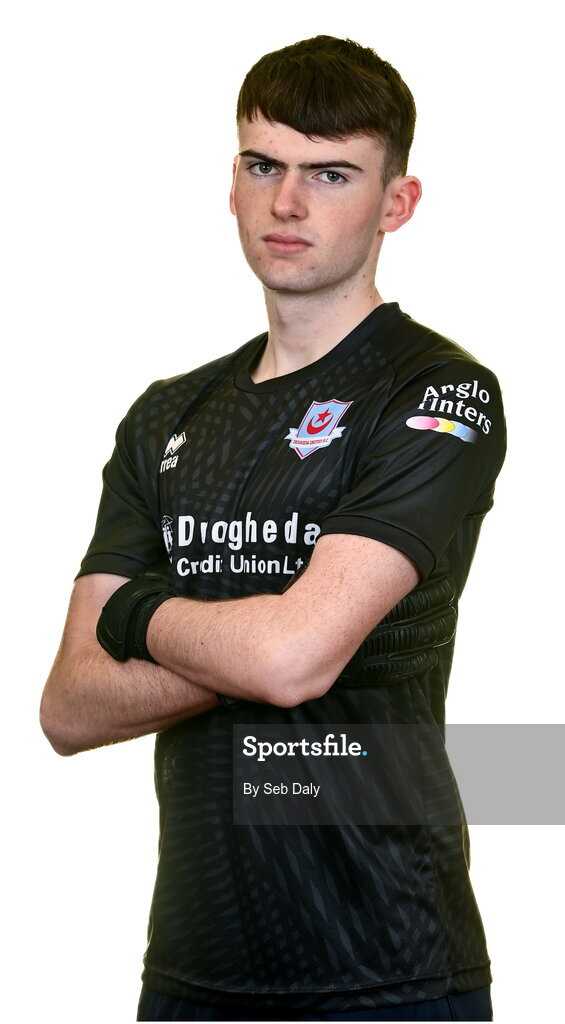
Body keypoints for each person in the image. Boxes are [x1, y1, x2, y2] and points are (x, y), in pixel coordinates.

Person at [40, 35, 505, 1022]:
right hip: (191, 974)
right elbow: (72, 708)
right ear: (235, 181)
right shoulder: (167, 415)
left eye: (329, 174)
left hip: (391, 970)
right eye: (264, 166)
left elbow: (293, 660)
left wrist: (139, 615)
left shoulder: (437, 393)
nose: (286, 204)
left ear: (396, 203)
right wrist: (259, 633)